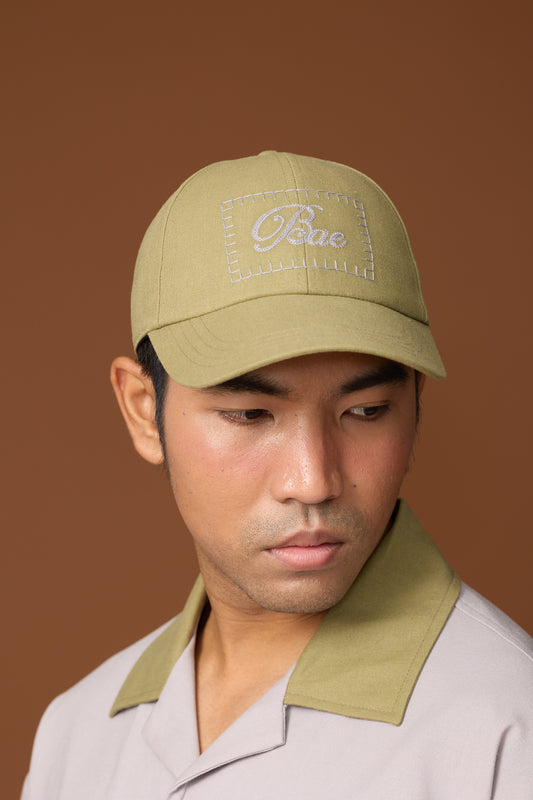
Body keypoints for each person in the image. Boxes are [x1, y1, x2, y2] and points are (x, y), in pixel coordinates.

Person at [22, 152, 533, 799]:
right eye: (249, 414)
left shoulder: (507, 730)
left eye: (366, 411)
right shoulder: (80, 732)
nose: (313, 480)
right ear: (144, 411)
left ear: (414, 405)